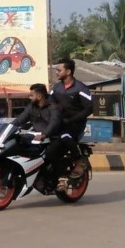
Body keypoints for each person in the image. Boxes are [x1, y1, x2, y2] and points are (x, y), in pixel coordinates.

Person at [49, 58, 93, 191]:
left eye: (59, 70)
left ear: (68, 71)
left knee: (65, 136)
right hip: (60, 123)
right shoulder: (56, 88)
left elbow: (89, 108)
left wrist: (72, 119)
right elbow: (48, 102)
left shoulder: (80, 88)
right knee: (49, 151)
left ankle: (80, 160)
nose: (56, 72)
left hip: (76, 124)